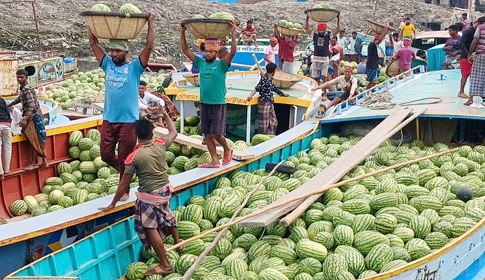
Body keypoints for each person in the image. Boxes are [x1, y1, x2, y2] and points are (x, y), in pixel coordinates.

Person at [99, 113, 183, 276]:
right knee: (166, 214)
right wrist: (165, 113)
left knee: (149, 227)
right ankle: (178, 241)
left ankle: (165, 264)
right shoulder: (161, 144)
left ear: (136, 135)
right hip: (165, 190)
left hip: (150, 195)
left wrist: (113, 203)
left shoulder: (133, 157)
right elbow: (173, 132)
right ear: (152, 133)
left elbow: (124, 183)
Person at [88, 14, 154, 200]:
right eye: (112, 51)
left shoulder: (134, 68)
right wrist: (93, 23)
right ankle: (128, 172)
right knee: (106, 155)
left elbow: (148, 47)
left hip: (128, 121)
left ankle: (124, 189)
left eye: (118, 51)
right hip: (109, 118)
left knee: (125, 155)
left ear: (126, 51)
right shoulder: (107, 64)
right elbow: (94, 44)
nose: (114, 54)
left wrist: (150, 23)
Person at [181, 20, 236, 168]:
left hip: (218, 104)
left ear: (217, 52)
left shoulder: (222, 65)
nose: (207, 53)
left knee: (218, 134)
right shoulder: (201, 63)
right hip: (204, 104)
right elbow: (185, 50)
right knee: (207, 134)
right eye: (206, 51)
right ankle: (214, 160)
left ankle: (227, 149)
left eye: (211, 51)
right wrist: (182, 32)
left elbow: (233, 52)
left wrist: (233, 33)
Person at [8, 69, 48, 170]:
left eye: (21, 77)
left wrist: (25, 119)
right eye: (18, 77)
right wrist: (10, 104)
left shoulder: (27, 89)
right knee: (33, 138)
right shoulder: (23, 89)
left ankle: (40, 162)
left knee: (37, 139)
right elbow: (20, 98)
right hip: (32, 116)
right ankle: (40, 162)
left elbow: (31, 106)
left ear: (26, 78)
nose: (19, 79)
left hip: (34, 116)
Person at [247, 63, 289, 134]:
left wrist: (283, 94)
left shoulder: (268, 79)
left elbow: (274, 89)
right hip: (264, 104)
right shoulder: (264, 80)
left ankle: (270, 135)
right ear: (273, 72)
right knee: (264, 125)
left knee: (274, 121)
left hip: (270, 103)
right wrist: (250, 96)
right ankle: (263, 138)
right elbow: (256, 88)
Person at [305, 14, 341, 83]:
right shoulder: (314, 35)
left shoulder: (328, 36)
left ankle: (324, 92)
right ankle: (315, 89)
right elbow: (306, 28)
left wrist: (338, 18)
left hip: (325, 59)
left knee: (324, 76)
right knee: (314, 77)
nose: (321, 31)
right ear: (317, 29)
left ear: (325, 30)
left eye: (322, 30)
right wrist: (307, 18)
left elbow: (338, 29)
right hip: (316, 58)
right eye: (320, 30)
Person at [458, 18, 484, 99]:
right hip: (465, 56)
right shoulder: (468, 31)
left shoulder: (476, 30)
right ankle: (461, 91)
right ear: (479, 23)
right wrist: (468, 54)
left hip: (473, 55)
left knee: (474, 75)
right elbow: (461, 43)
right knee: (465, 74)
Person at [465, 17, 485, 106]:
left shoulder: (480, 27)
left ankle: (471, 99)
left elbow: (474, 41)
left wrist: (469, 53)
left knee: (475, 76)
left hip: (481, 54)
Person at [0, 96, 12, 179]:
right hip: (6, 124)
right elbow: (8, 111)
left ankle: (1, 173)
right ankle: (7, 170)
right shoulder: (2, 99)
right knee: (8, 148)